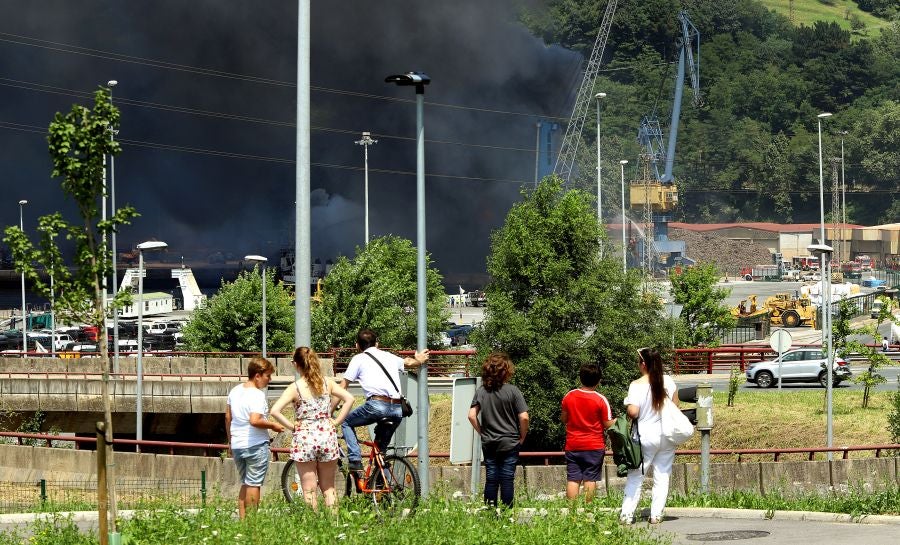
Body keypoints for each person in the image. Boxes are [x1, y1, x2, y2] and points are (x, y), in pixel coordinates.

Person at [271, 347, 354, 511]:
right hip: (327, 436)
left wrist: (292, 425)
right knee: (329, 488)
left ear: (296, 364)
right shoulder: (326, 383)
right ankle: (334, 526)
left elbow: (274, 411)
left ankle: (314, 528)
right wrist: (336, 422)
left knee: (309, 489)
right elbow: (349, 398)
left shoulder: (295, 387)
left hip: (305, 438)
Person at [339, 329, 429, 470]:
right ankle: (382, 486)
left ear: (357, 346)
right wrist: (419, 359)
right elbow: (409, 363)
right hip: (397, 410)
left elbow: (342, 387)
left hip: (376, 406)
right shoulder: (389, 356)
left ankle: (355, 460)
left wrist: (329, 410)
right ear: (377, 344)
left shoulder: (358, 359)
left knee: (345, 422)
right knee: (380, 453)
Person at [619, 347, 679, 525]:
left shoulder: (636, 385)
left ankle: (627, 515)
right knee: (662, 475)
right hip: (667, 436)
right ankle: (656, 515)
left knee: (636, 476)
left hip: (645, 437)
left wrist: (627, 405)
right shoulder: (668, 381)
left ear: (643, 364)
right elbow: (675, 405)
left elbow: (633, 412)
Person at [225, 356, 284, 519]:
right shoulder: (257, 395)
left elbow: (228, 417)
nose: (269, 380)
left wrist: (230, 441)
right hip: (255, 445)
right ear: (257, 375)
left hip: (237, 444)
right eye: (268, 376)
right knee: (254, 484)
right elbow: (255, 420)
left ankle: (243, 524)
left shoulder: (235, 391)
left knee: (245, 482)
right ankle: (252, 525)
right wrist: (273, 426)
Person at [468, 352, 529, 508]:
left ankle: (490, 511)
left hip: (489, 442)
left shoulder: (481, 391)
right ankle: (507, 513)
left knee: (491, 478)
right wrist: (522, 436)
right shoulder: (513, 391)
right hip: (510, 441)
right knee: (507, 478)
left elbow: (471, 416)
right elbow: (524, 417)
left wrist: (482, 432)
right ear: (506, 371)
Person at [561, 362, 615, 502]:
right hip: (593, 445)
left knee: (573, 478)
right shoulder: (601, 400)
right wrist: (618, 421)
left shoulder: (569, 396)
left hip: (573, 444)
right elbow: (607, 424)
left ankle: (572, 512)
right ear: (599, 381)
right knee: (590, 478)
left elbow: (564, 419)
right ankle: (588, 510)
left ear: (580, 378)